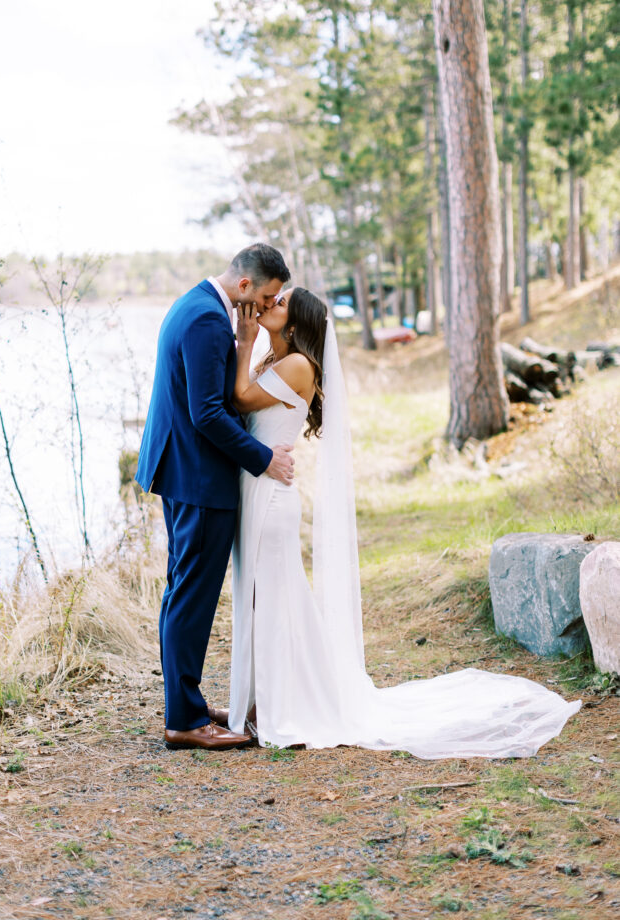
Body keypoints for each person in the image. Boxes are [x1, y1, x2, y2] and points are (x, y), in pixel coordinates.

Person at [219, 287, 581, 758]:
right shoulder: (278, 360)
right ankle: (259, 701)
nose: (270, 303)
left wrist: (243, 339)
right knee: (261, 599)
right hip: (261, 489)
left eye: (281, 302)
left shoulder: (297, 366)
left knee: (272, 599)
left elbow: (239, 399)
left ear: (295, 325)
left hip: (271, 500)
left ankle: (278, 706)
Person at [135, 244, 294, 751]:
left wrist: (245, 342)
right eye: (267, 296)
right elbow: (207, 413)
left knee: (181, 591)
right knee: (191, 597)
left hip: (182, 469)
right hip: (199, 477)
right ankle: (184, 721)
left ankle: (188, 705)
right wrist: (264, 457)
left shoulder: (195, 303)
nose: (269, 306)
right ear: (245, 286)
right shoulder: (207, 320)